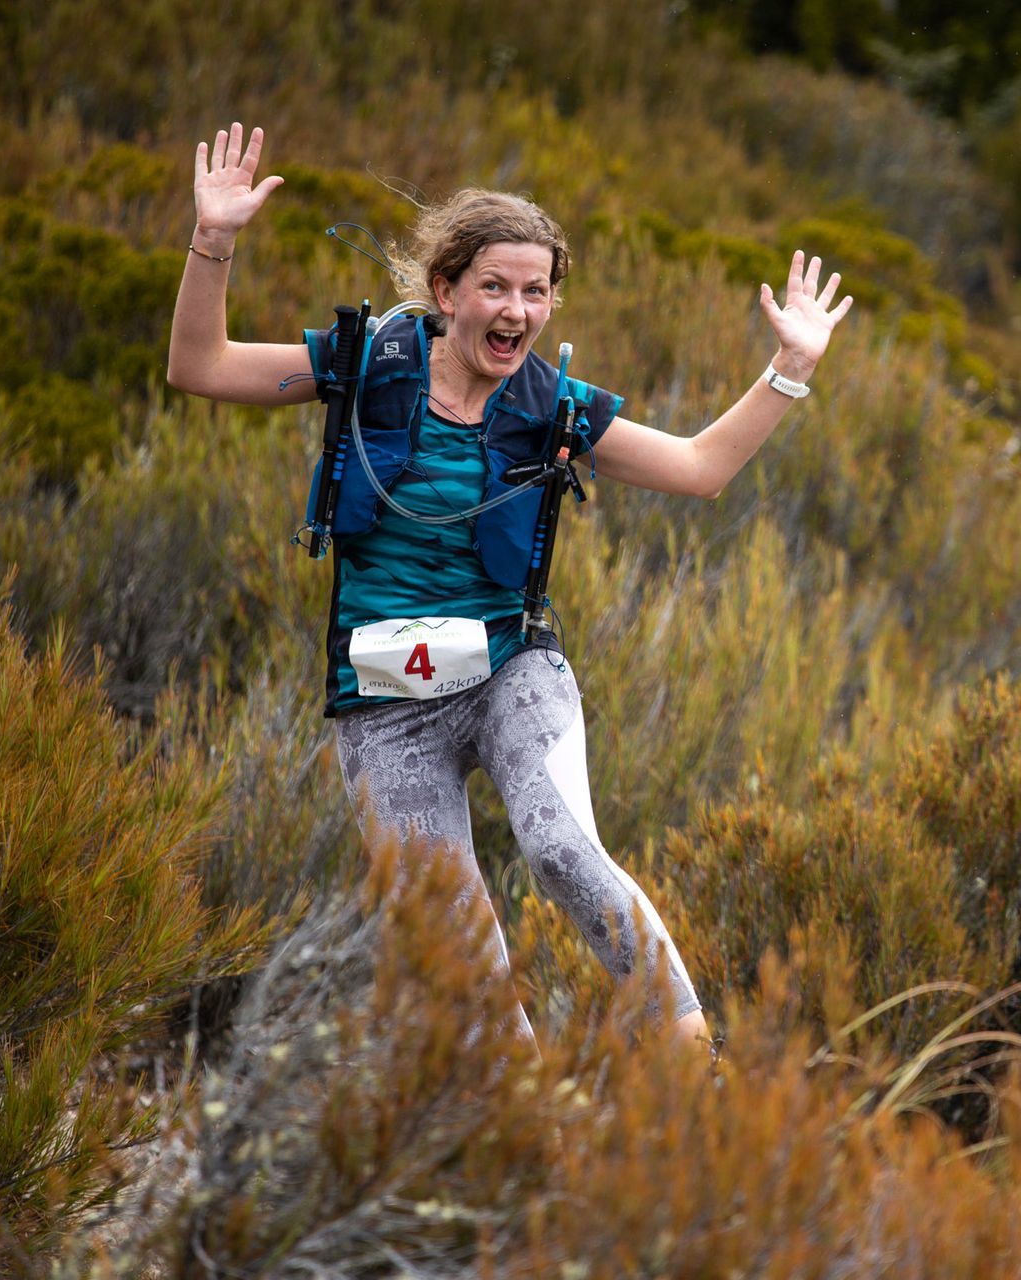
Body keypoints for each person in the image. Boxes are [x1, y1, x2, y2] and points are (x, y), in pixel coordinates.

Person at [167, 122, 853, 1051]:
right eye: (495, 286)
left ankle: (693, 1067)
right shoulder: (368, 363)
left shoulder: (553, 407)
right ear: (446, 291)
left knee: (563, 848)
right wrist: (215, 241)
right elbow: (198, 367)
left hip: (510, 670)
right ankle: (536, 1143)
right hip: (383, 704)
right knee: (456, 951)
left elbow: (699, 468)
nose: (517, 310)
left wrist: (792, 370)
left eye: (536, 292)